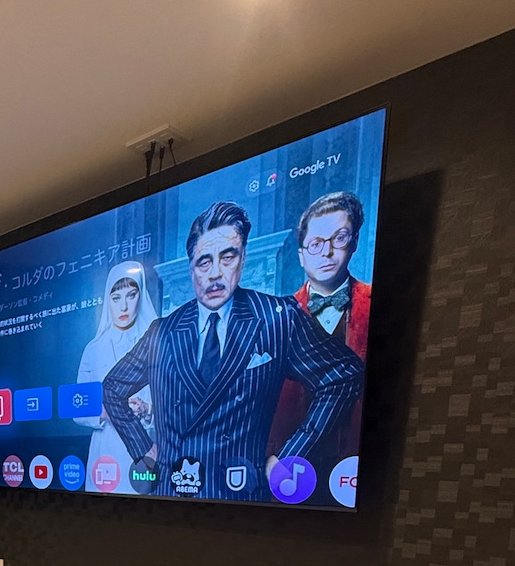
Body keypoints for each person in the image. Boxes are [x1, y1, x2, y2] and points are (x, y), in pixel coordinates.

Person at [102, 202, 362, 501]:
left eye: (227, 257)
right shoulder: (163, 331)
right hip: (169, 499)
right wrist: (143, 449)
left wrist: (291, 456)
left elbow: (344, 375)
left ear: (243, 258)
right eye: (204, 262)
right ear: (191, 267)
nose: (215, 273)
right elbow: (112, 388)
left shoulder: (276, 318)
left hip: (241, 500)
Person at [269, 191, 371, 456]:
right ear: (301, 256)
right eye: (315, 243)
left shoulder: (376, 303)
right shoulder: (277, 316)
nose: (327, 252)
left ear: (354, 242)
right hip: (288, 463)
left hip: (358, 460)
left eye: (339, 238)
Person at [75, 261, 158, 493]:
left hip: (146, 446)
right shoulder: (94, 348)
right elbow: (76, 407)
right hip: (105, 451)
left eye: (131, 295)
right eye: (116, 298)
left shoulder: (157, 343)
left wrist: (147, 410)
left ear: (141, 296)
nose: (123, 306)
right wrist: (105, 412)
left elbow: (173, 402)